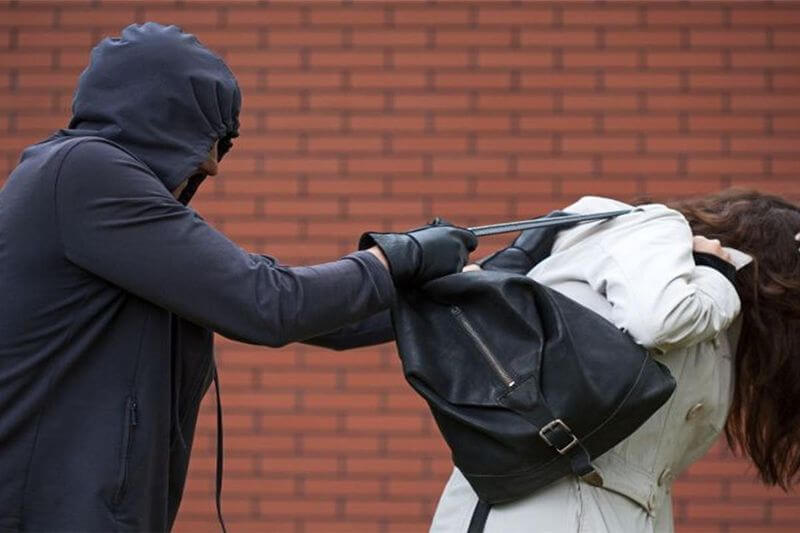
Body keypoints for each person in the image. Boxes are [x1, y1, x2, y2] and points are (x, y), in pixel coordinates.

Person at [0, 23, 477, 532]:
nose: (213, 164)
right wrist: (396, 258)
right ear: (159, 118)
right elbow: (267, 304)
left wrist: (472, 285)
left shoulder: (107, 206)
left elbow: (318, 319)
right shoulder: (84, 171)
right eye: (205, 136)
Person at [429, 189, 800, 532]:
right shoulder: (656, 229)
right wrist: (717, 270)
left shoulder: (716, 329)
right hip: (541, 511)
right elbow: (659, 322)